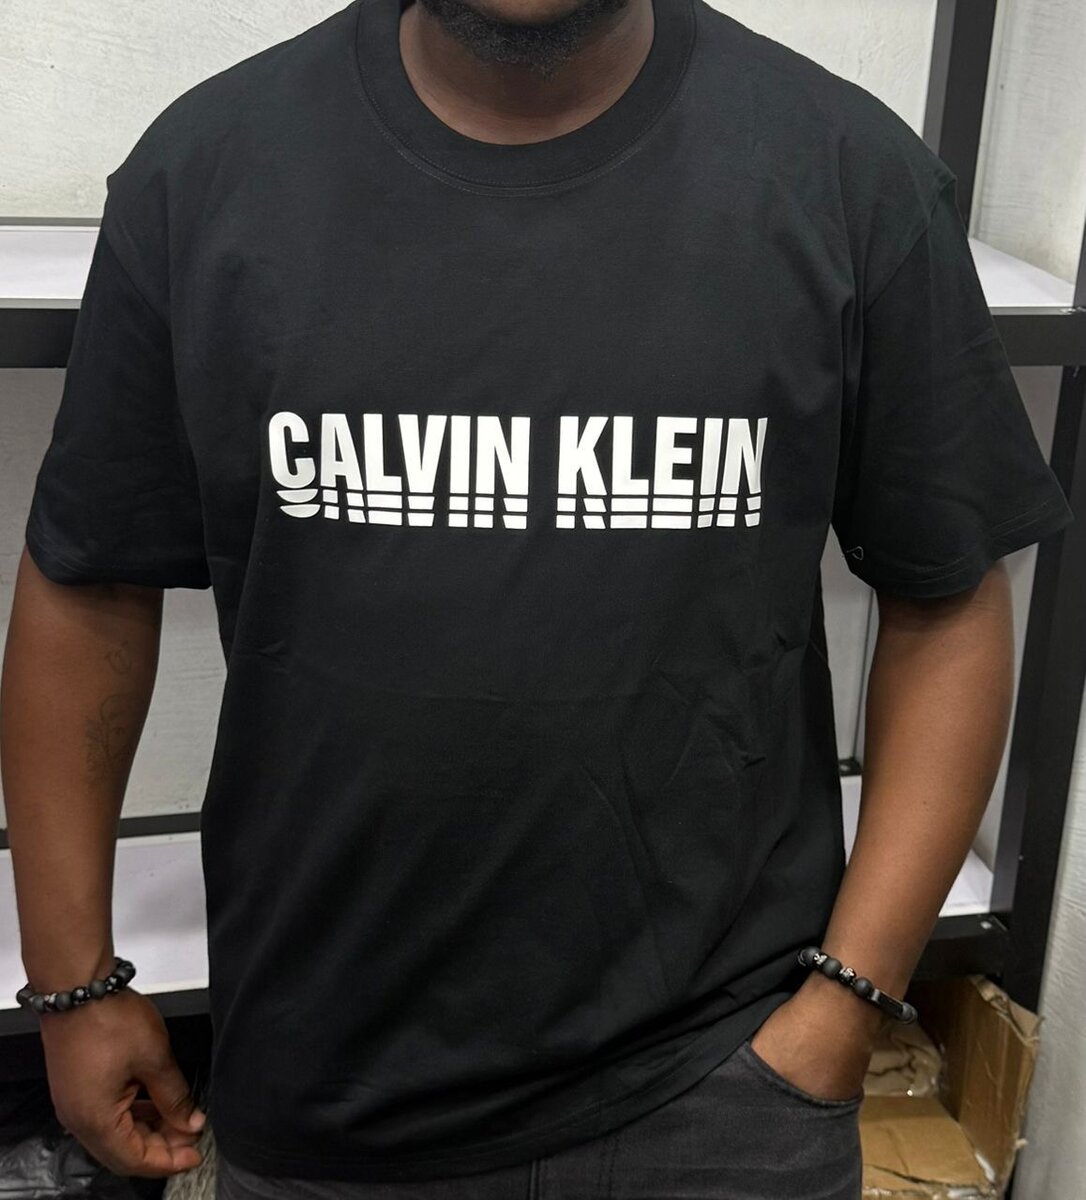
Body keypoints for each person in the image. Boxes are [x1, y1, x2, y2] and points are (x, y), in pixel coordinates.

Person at [2, 0, 1075, 1195]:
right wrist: (71, 985)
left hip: (724, 1095)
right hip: (325, 1086)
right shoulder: (205, 174)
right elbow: (90, 580)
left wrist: (849, 1004)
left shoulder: (844, 174)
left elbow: (947, 594)